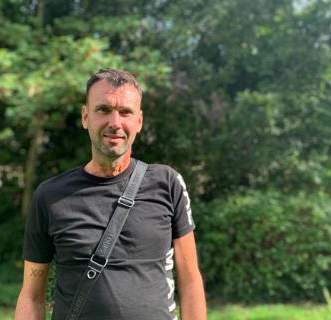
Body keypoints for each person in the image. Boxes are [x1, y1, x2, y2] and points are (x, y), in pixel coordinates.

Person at [14, 68, 206, 320]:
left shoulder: (167, 183)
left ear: (139, 120)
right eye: (103, 110)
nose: (115, 123)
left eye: (125, 112)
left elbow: (190, 282)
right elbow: (31, 296)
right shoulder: (50, 196)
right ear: (85, 117)